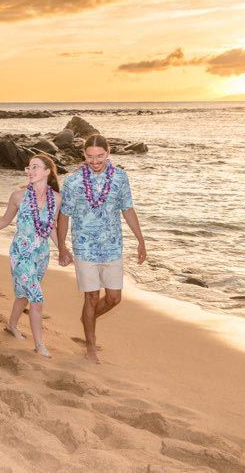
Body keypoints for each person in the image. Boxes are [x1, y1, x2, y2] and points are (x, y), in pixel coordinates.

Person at [57, 134, 147, 363]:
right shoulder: (73, 181)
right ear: (84, 155)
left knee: (114, 298)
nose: (95, 161)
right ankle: (91, 346)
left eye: (100, 156)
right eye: (90, 156)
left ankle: (87, 319)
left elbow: (127, 209)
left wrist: (141, 240)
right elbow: (64, 215)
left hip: (112, 245)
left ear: (108, 153)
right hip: (84, 246)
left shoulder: (120, 177)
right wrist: (62, 247)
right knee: (92, 296)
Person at [0, 154, 62, 357]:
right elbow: (4, 220)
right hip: (21, 253)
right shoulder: (18, 196)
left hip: (41, 254)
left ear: (47, 171)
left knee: (24, 295)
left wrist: (64, 250)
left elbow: (51, 228)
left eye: (35, 167)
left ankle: (12, 325)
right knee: (36, 297)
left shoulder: (57, 199)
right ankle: (39, 345)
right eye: (29, 167)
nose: (30, 171)